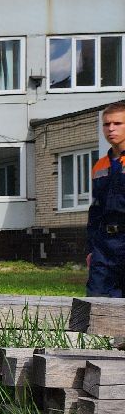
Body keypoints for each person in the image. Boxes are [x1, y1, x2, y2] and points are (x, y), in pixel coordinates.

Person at [87, 100, 125, 298]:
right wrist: (90, 249)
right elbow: (95, 210)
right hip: (104, 244)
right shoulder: (100, 166)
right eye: (107, 124)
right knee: (96, 302)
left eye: (117, 124)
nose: (111, 129)